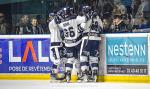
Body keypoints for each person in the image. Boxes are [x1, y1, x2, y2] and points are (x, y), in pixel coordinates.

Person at [52, 7, 86, 82]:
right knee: (78, 59)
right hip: (77, 42)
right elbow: (85, 20)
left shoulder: (61, 23)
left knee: (70, 60)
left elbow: (60, 30)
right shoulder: (74, 19)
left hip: (68, 44)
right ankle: (79, 75)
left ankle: (68, 76)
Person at [79, 6, 103, 82]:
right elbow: (101, 28)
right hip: (96, 39)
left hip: (87, 39)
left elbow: (82, 28)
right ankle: (95, 75)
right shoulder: (97, 16)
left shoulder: (86, 17)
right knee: (94, 58)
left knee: (83, 57)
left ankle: (85, 75)